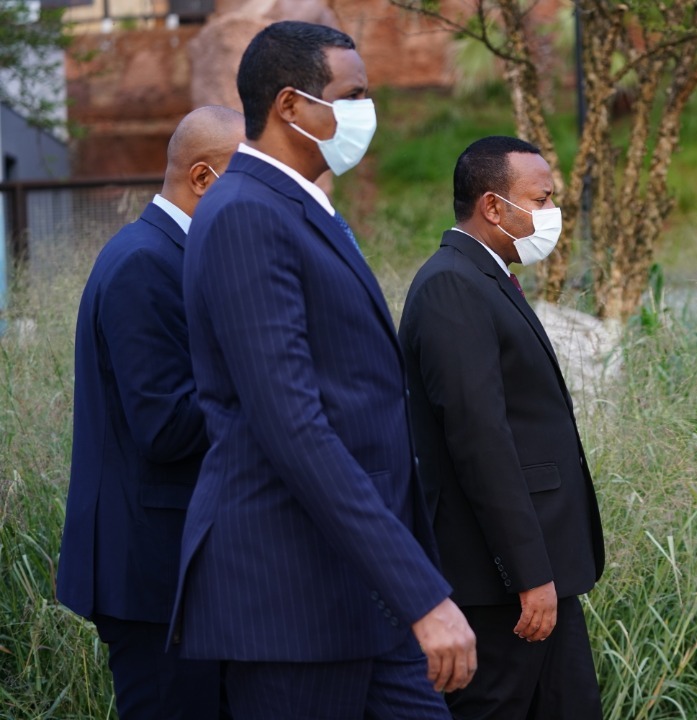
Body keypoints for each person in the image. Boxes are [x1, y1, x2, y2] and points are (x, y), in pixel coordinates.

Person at [171, 21, 475, 719]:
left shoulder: (297, 206)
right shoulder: (245, 214)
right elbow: (293, 425)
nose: (368, 112)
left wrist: (408, 582)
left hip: (360, 591)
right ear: (290, 105)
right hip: (292, 599)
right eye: (353, 95)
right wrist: (420, 594)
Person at [398, 135, 606, 720]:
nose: (552, 213)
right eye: (541, 200)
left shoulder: (485, 278)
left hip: (541, 573)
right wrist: (528, 573)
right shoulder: (451, 285)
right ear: (493, 206)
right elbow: (480, 440)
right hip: (500, 585)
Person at [56, 104, 244, 720]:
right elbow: (164, 426)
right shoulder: (145, 262)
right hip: (152, 573)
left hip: (176, 570)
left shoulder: (172, 254)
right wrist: (263, 377)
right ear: (203, 178)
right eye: (248, 181)